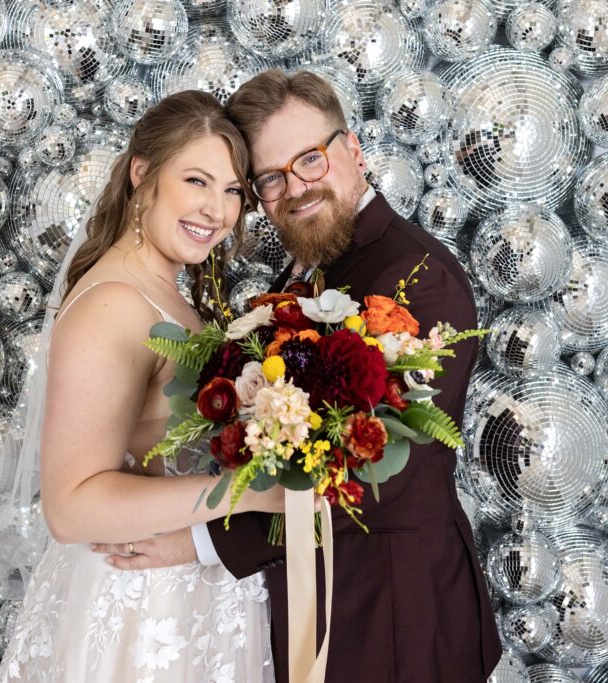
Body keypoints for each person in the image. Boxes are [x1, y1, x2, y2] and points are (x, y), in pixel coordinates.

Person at [94, 71, 503, 681]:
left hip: (396, 617)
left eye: (310, 159)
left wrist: (200, 543)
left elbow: (367, 477)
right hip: (318, 607)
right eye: (272, 178)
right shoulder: (312, 267)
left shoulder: (418, 278)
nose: (297, 187)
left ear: (353, 149)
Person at [0, 90, 284, 682]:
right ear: (144, 173)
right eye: (197, 180)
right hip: (145, 611)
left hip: (185, 591)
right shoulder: (114, 304)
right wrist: (248, 492)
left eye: (232, 191)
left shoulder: (165, 291)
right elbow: (72, 506)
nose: (217, 211)